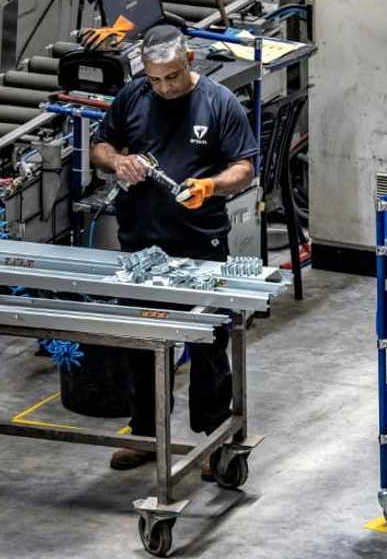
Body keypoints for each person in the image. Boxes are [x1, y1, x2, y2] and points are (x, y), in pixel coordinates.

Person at [90, 24, 258, 475]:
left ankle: (216, 436)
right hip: (141, 240)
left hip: (199, 241)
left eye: (171, 77)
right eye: (155, 79)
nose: (163, 88)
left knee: (207, 342)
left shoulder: (219, 103)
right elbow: (100, 145)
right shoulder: (134, 96)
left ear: (190, 61)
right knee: (143, 339)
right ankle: (147, 431)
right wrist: (117, 160)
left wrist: (210, 186)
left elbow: (244, 168)